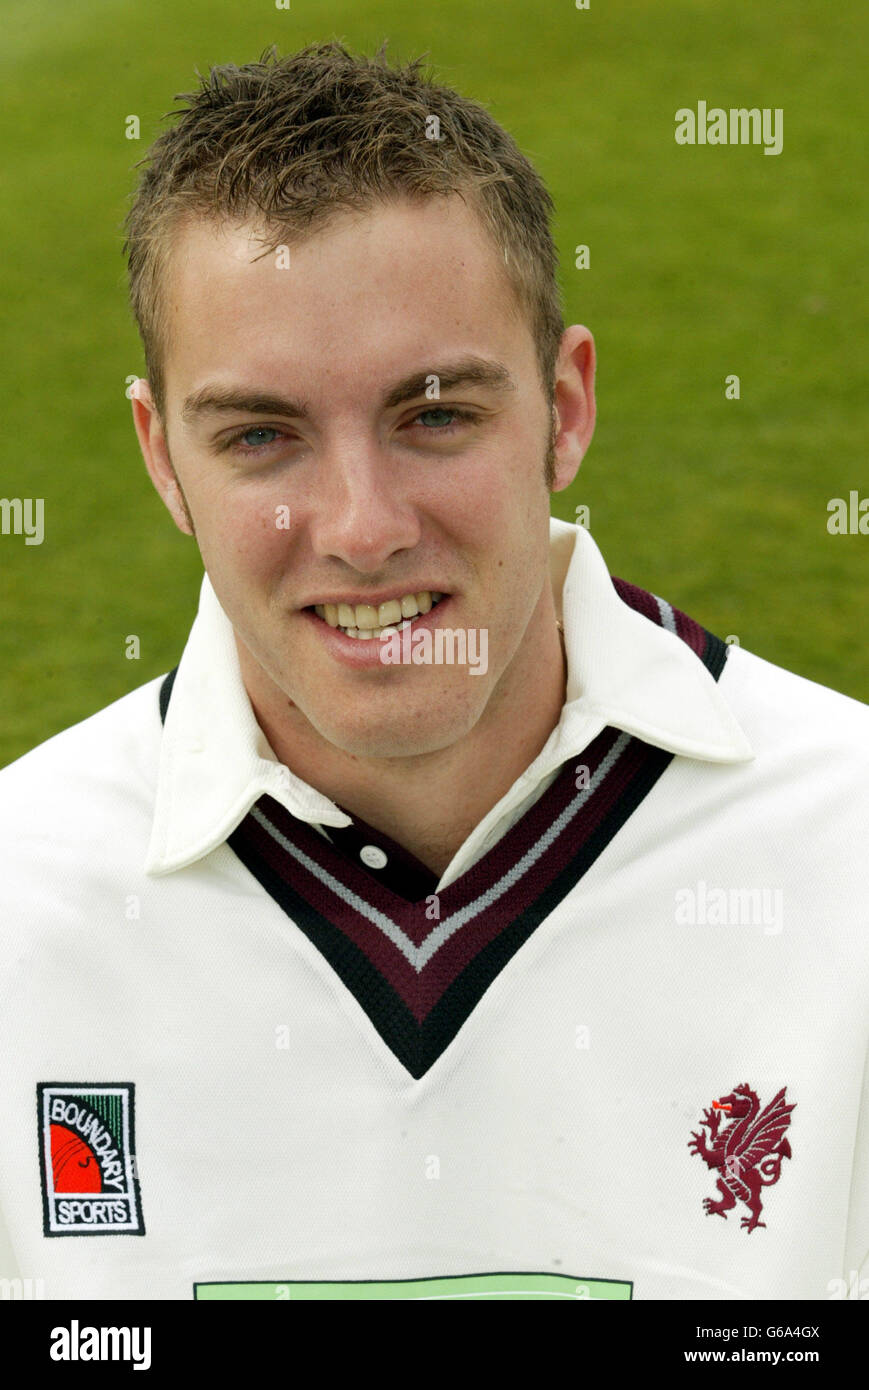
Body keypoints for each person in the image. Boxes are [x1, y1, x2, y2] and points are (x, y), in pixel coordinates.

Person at [0, 41, 866, 1303]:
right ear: (161, 457)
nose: (361, 526)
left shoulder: (847, 840)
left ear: (564, 409)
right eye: (260, 436)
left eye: (436, 415)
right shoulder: (21, 902)